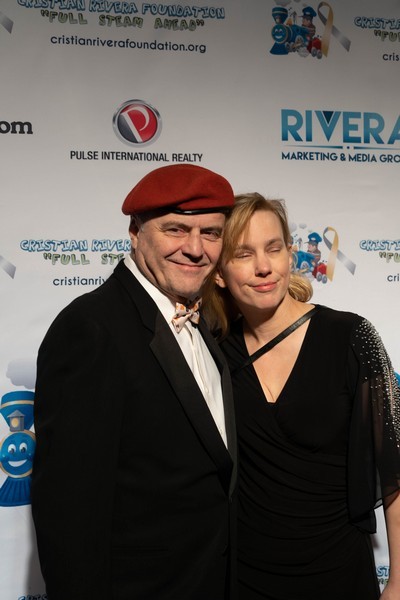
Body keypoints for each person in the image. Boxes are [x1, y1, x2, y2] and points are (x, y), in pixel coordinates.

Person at [31, 164, 238, 600]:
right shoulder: (91, 328)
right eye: (176, 229)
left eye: (211, 233)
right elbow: (69, 511)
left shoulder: (203, 320)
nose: (195, 249)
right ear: (135, 232)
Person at [203, 192, 400, 600]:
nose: (263, 267)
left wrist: (398, 583)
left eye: (273, 248)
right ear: (219, 273)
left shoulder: (351, 337)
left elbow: (395, 473)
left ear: (290, 255)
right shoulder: (212, 352)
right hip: (246, 580)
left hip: (340, 576)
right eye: (243, 254)